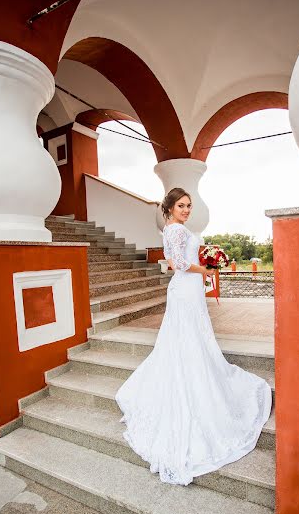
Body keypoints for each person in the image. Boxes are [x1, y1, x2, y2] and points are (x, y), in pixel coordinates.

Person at [115, 187, 272, 486]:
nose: (187, 210)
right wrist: (207, 271)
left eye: (189, 205)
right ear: (170, 207)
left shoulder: (177, 229)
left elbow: (181, 259)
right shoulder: (174, 230)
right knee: (187, 338)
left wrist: (204, 266)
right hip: (185, 287)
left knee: (191, 337)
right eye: (182, 205)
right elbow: (177, 264)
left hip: (186, 290)